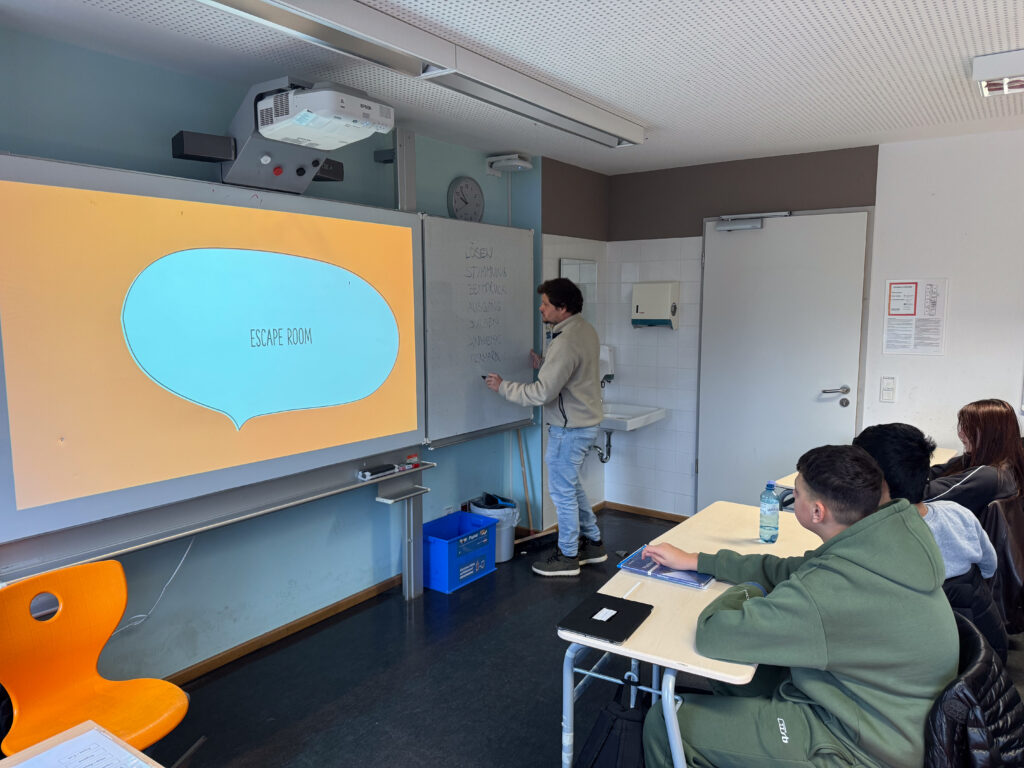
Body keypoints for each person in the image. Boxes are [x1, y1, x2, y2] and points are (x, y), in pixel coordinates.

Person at [641, 445, 957, 768]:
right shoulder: (884, 544)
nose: (792, 498)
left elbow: (715, 633)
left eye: (796, 493)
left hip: (859, 746)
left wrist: (747, 591)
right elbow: (788, 570)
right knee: (739, 674)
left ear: (817, 512)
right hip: (886, 716)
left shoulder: (830, 591)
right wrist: (698, 561)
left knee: (667, 724)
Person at [854, 422, 1007, 659]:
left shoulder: (873, 539)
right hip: (986, 653)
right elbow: (990, 566)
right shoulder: (957, 513)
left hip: (926, 660)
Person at [484, 277, 603, 577]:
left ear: (562, 308)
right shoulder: (584, 329)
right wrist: (545, 364)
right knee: (571, 486)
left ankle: (568, 556)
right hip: (582, 424)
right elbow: (571, 372)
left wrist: (502, 387)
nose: (541, 308)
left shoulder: (565, 341)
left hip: (569, 429)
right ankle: (593, 543)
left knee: (562, 493)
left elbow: (541, 394)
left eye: (546, 304)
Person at [925, 398, 1024, 514]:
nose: (960, 434)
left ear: (990, 433)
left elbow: (922, 495)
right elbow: (933, 472)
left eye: (968, 428)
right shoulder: (1006, 460)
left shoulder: (989, 476)